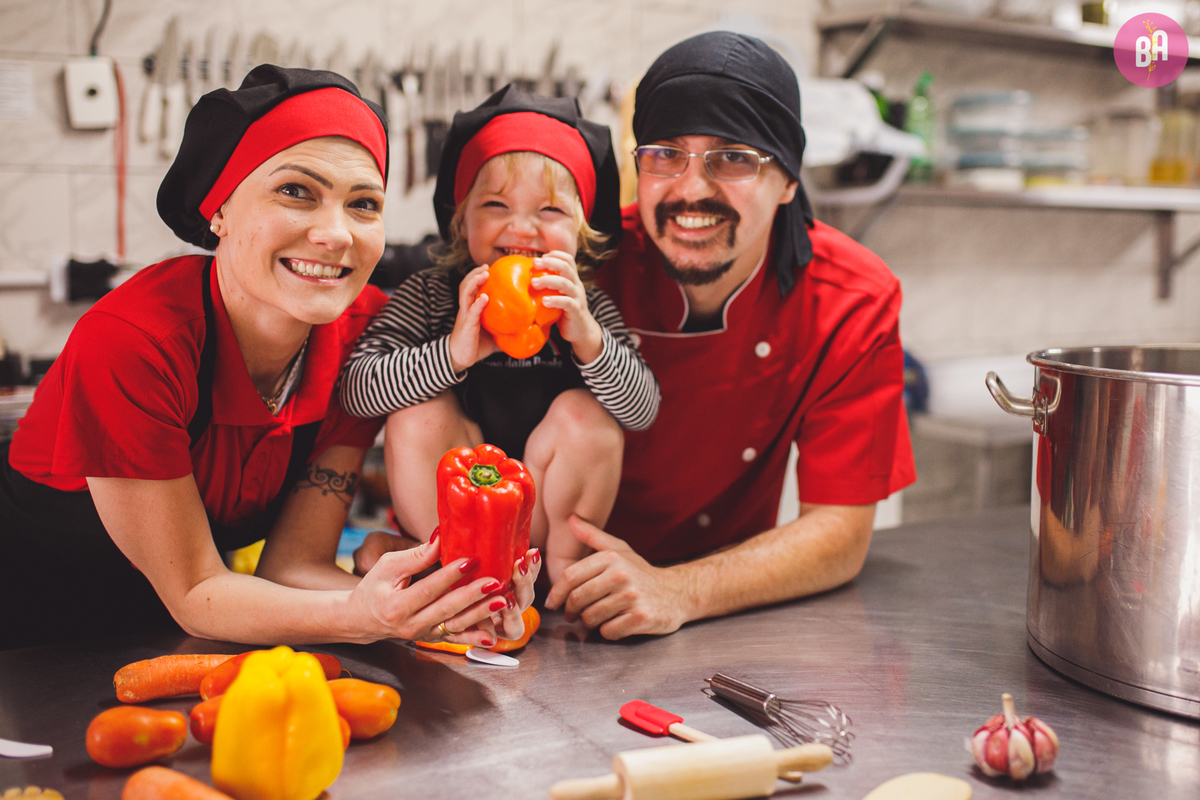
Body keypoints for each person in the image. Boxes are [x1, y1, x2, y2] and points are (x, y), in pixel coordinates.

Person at [0, 66, 537, 650]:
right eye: (295, 191)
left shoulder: (364, 336)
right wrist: (363, 617)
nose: (335, 234)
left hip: (204, 631)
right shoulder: (136, 343)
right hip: (32, 633)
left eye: (363, 203)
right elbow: (195, 589)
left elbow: (293, 567)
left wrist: (439, 613)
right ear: (220, 210)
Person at [539, 32, 917, 638]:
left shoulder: (850, 298)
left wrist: (678, 589)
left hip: (718, 615)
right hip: (529, 598)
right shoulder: (583, 261)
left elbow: (840, 534)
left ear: (790, 181)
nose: (691, 189)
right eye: (665, 154)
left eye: (734, 157)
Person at [339, 86, 660, 583]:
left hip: (545, 527)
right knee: (419, 411)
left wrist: (589, 340)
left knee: (589, 412)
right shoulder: (431, 294)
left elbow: (642, 410)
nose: (523, 228)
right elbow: (357, 390)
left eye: (550, 211)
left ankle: (563, 570)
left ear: (580, 230)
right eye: (495, 204)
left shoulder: (584, 303)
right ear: (461, 218)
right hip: (458, 522)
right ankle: (451, 567)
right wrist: (453, 354)